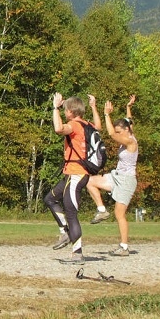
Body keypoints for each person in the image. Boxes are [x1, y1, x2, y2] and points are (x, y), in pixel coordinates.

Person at [44, 93, 101, 264]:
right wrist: (94, 107)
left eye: (64, 110)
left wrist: (54, 107)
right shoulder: (88, 125)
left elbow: (58, 129)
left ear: (69, 111)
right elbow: (99, 126)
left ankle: (77, 253)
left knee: (71, 213)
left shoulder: (75, 125)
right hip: (76, 174)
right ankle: (65, 232)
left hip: (76, 173)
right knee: (50, 199)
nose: (63, 112)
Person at [87, 95, 138, 256]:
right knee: (89, 181)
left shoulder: (130, 141)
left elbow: (110, 133)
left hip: (127, 181)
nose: (117, 134)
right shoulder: (128, 131)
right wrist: (128, 106)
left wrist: (107, 114)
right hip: (117, 176)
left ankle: (124, 247)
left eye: (119, 131)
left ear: (126, 131)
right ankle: (101, 210)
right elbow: (129, 120)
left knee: (119, 214)